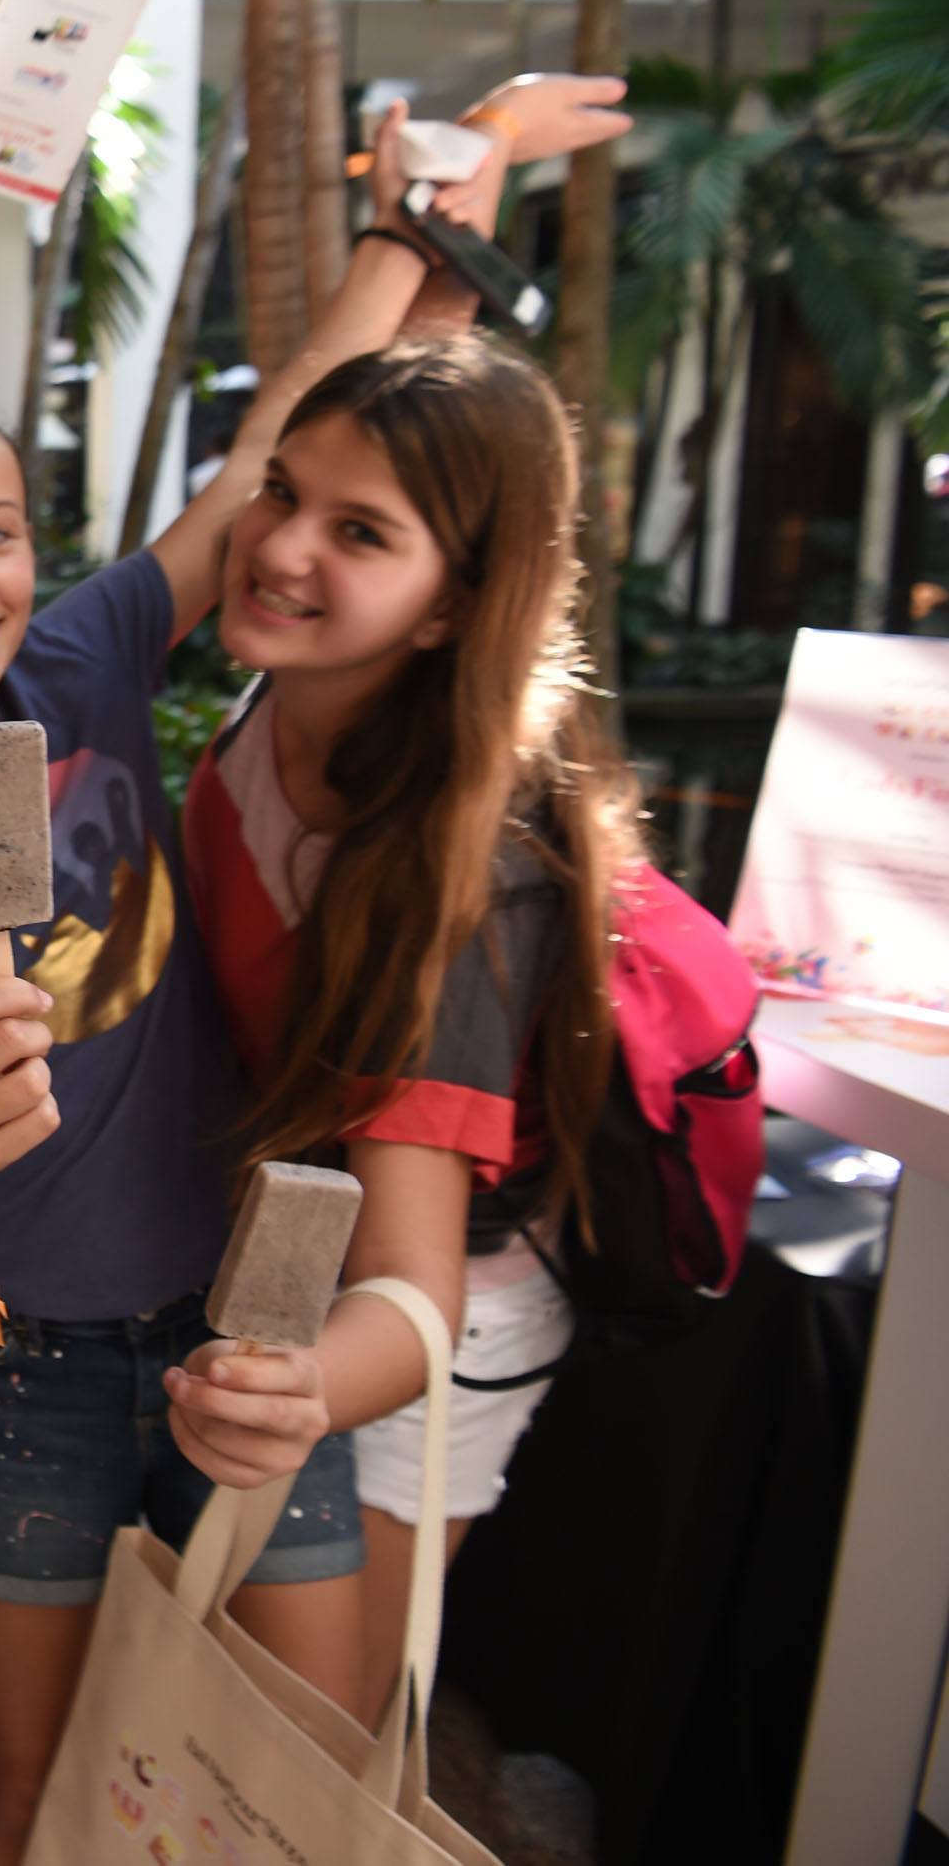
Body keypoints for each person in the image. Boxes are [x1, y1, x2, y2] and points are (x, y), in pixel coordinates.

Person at [0, 82, 564, 1866]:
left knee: (306, 1768)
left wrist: (415, 227)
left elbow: (277, 453)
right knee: (45, 1781)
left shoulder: (85, 659)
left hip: (246, 1312)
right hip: (8, 1353)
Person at [183, 336, 641, 1724]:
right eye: (282, 490)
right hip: (279, 1279)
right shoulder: (273, 707)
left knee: (304, 1754)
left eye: (362, 532)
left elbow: (414, 1282)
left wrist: (301, 1389)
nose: (280, 545)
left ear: (452, 604)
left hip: (414, 1335)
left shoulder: (460, 870)